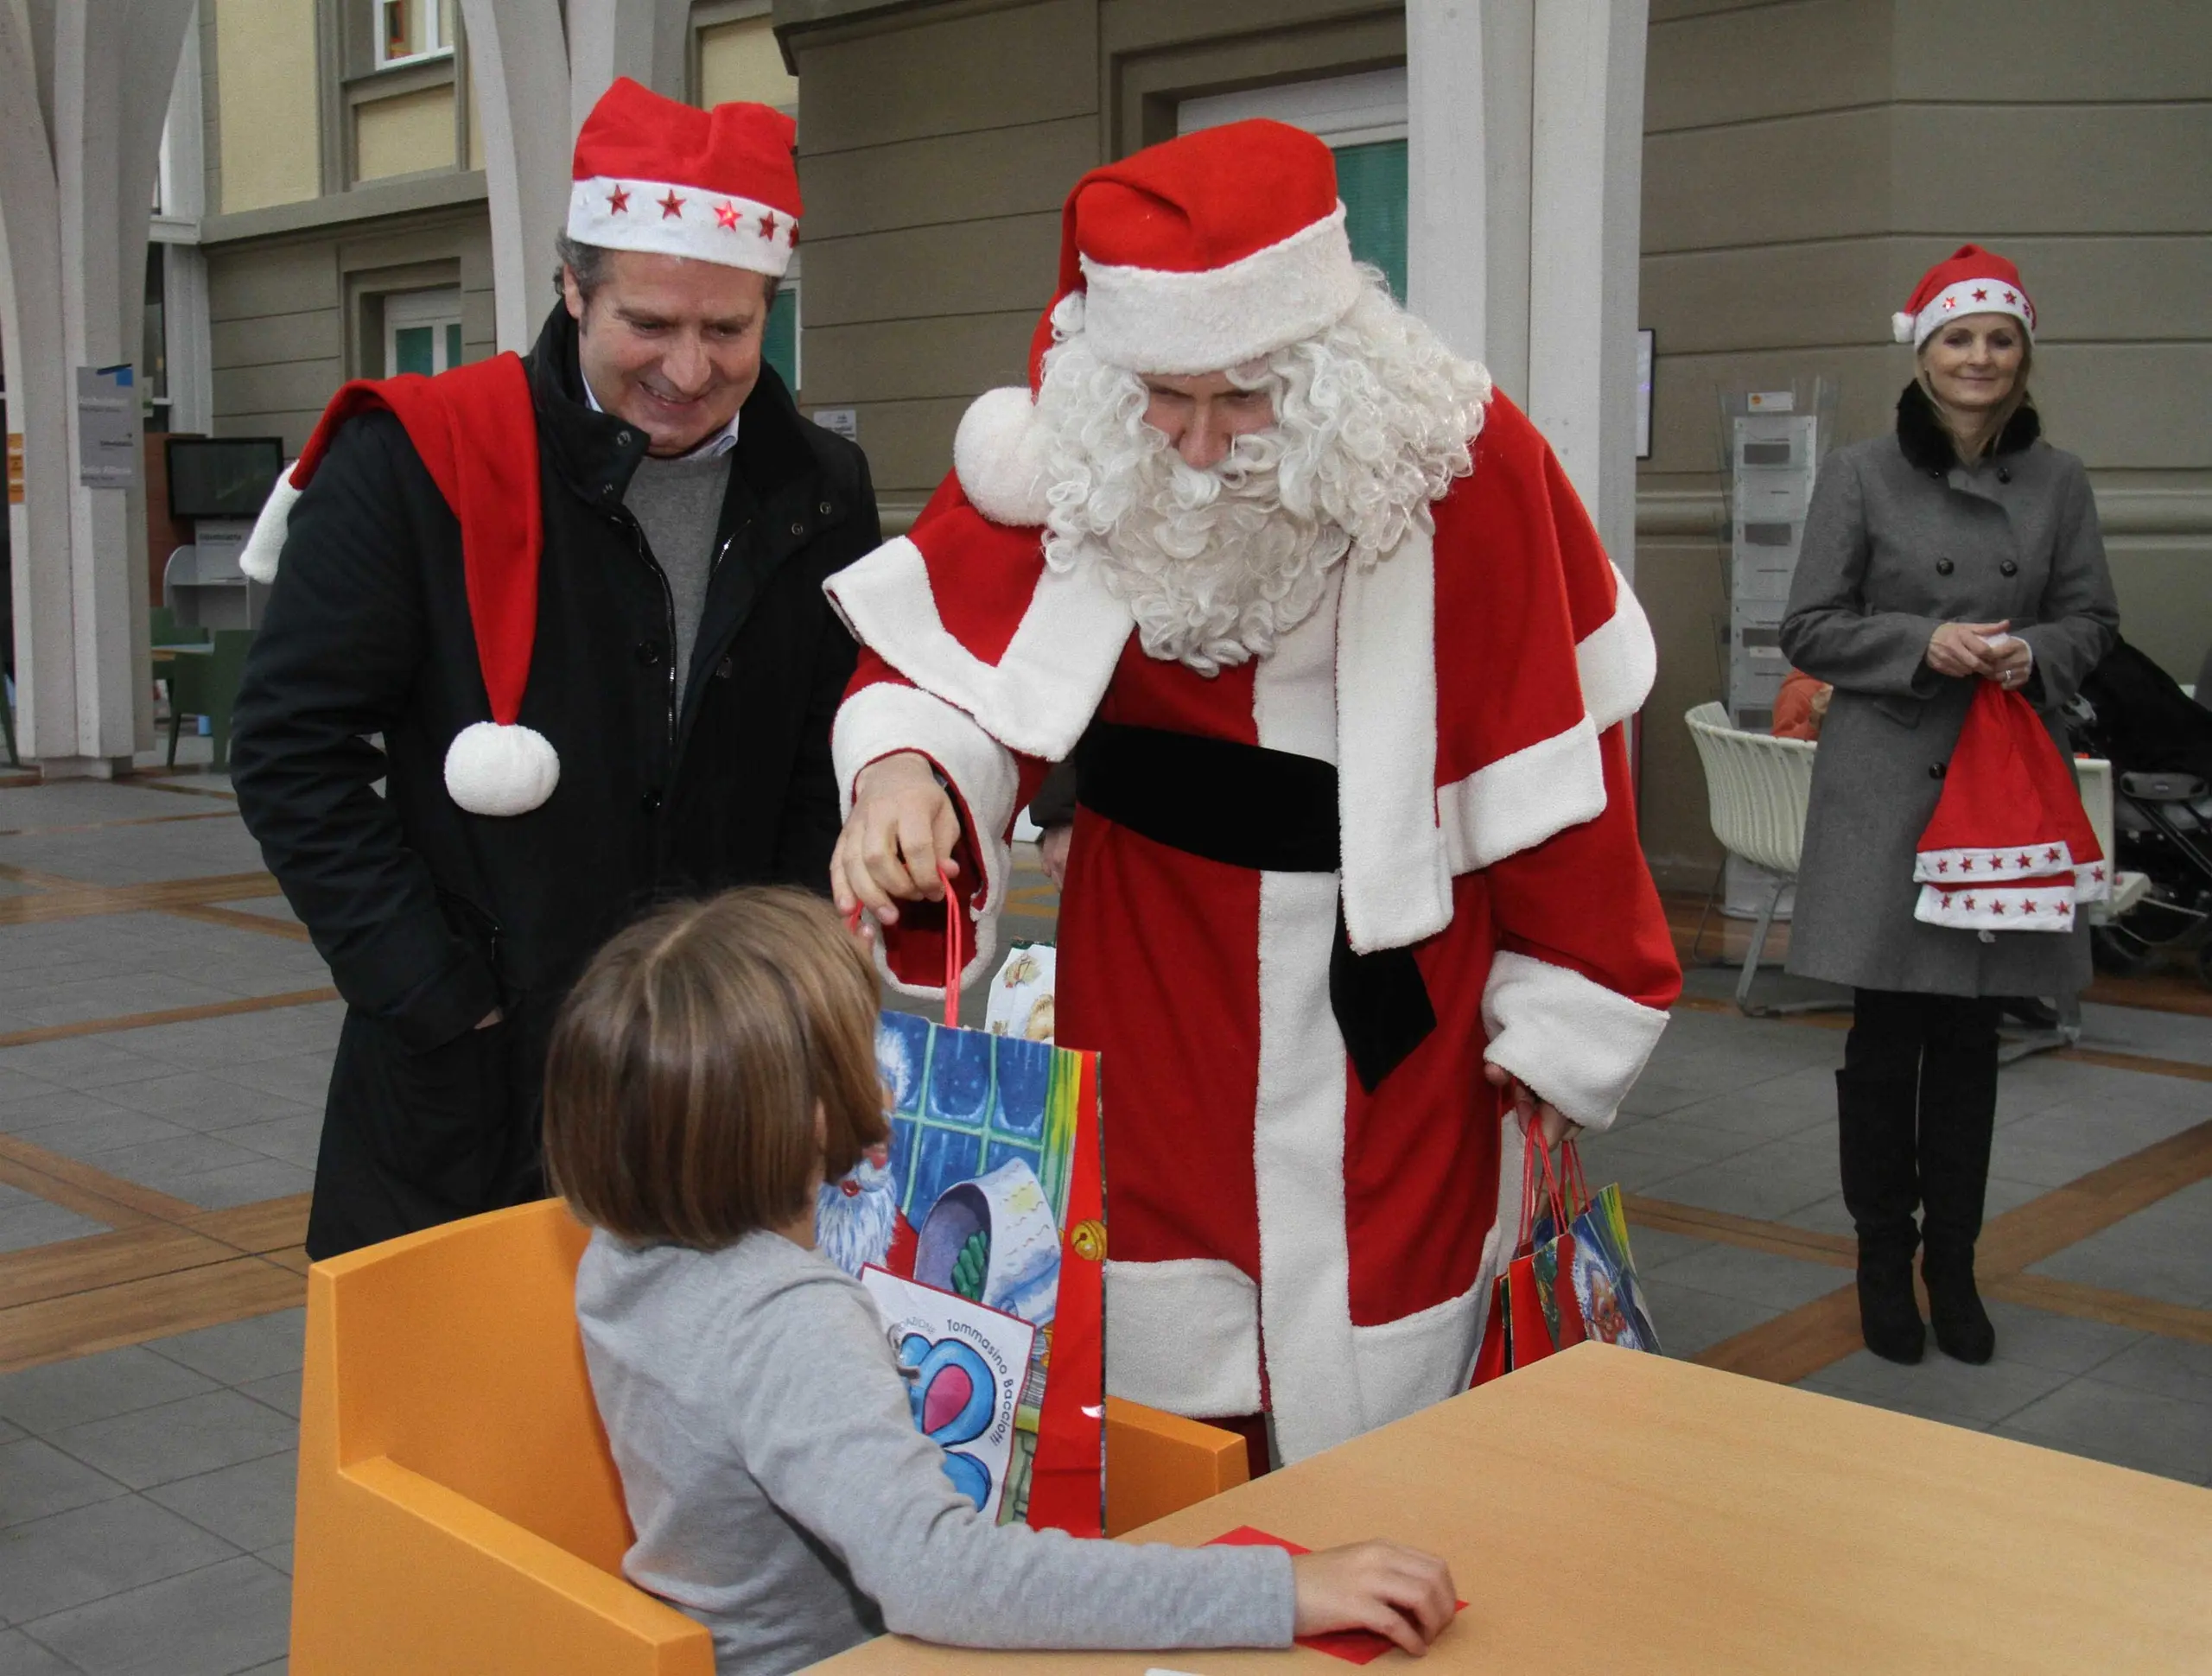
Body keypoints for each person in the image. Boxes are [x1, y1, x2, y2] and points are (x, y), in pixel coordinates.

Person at [823, 121, 1681, 1469]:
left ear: (1327, 367)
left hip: (1403, 987)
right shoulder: (1080, 449)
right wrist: (906, 775)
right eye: (1169, 398)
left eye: (1247, 400)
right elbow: (962, 670)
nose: (1204, 445)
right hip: (1155, 956)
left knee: (1402, 1345)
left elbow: (1566, 757)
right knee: (1162, 1332)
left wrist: (1570, 1003)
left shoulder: (1464, 454)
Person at [229, 80, 878, 1259]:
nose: (688, 370)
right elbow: (288, 748)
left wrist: (796, 992)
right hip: (475, 1078)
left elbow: (821, 762)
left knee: (695, 1425)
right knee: (460, 1420)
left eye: (729, 330)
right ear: (571, 288)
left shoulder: (819, 488)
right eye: (648, 323)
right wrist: (435, 992)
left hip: (717, 1077)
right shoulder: (415, 459)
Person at [546, 887, 1459, 1676]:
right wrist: (1284, 1589)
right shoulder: (788, 1317)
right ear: (814, 1110)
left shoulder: (620, 1256)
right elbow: (941, 1577)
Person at [1781, 244, 2119, 1365]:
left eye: (2000, 338)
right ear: (1923, 353)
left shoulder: (2060, 481)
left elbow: (2092, 622)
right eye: (1958, 338)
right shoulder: (1862, 473)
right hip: (1887, 789)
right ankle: (1884, 1260)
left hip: (2002, 791)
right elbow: (1809, 627)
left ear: (2023, 356)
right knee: (1887, 1040)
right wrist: (1921, 640)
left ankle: (1956, 1268)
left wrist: (2039, 656)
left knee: (1971, 1039)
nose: (1980, 358)